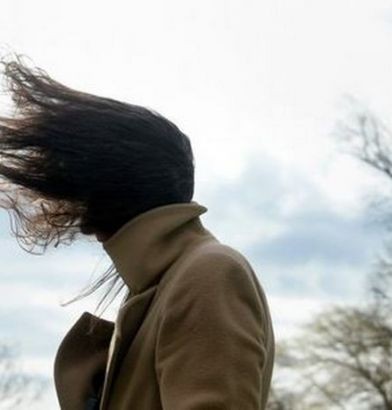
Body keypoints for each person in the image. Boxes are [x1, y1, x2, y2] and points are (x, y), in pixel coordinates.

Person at [0, 54, 275, 409]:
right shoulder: (160, 285)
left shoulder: (209, 273)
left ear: (105, 181)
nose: (61, 194)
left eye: (69, 172)